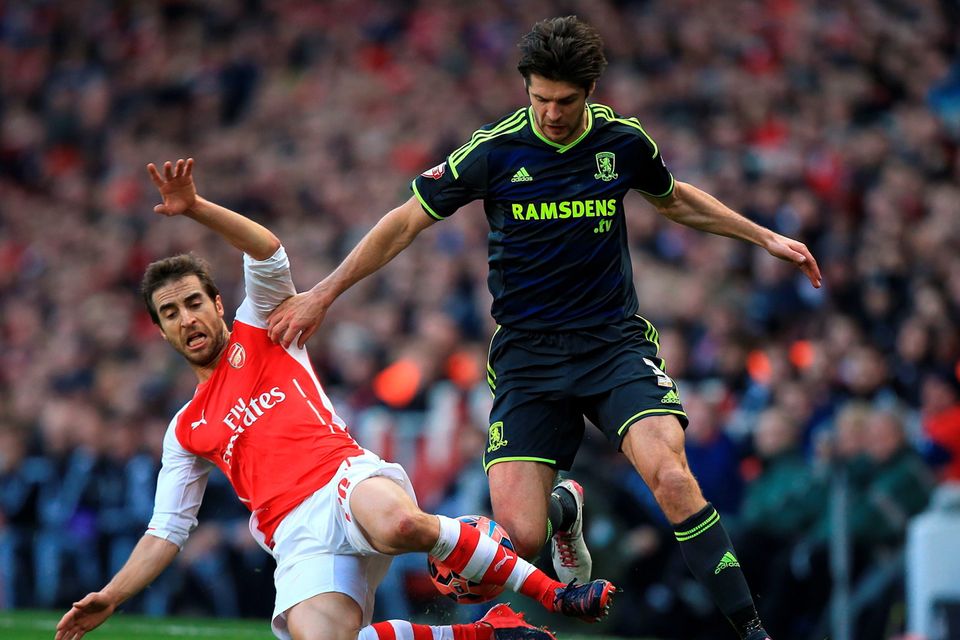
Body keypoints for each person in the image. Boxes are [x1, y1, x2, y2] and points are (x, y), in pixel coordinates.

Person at [267, 16, 823, 640]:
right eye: (539, 98)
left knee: (671, 477)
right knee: (522, 539)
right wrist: (323, 292)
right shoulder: (493, 151)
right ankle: (565, 508)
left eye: (564, 101)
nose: (551, 113)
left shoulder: (623, 143)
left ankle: (750, 628)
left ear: (589, 92)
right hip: (528, 359)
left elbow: (676, 199)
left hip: (613, 344)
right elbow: (404, 222)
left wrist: (766, 235)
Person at [54, 158, 616, 640]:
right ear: (160, 331)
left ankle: (553, 595)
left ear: (219, 304)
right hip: (295, 539)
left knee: (399, 526)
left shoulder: (261, 326)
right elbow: (166, 531)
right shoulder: (185, 429)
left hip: (342, 481)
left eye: (194, 302)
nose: (187, 319)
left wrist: (197, 206)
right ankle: (483, 631)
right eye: (170, 313)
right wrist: (111, 595)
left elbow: (268, 252)